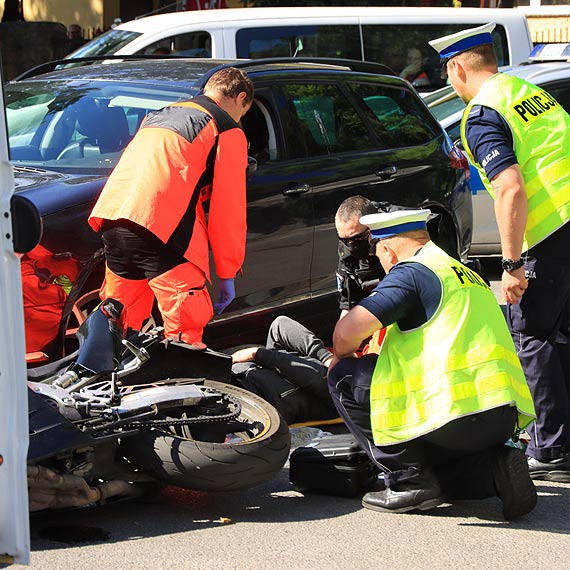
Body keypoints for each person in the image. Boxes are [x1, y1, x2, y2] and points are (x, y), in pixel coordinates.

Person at [327, 208, 537, 519]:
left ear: (387, 250)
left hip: (452, 412)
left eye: (379, 254)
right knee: (446, 481)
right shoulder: (463, 272)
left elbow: (345, 334)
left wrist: (343, 355)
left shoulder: (411, 272)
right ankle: (494, 468)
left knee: (344, 376)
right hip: (500, 415)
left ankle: (406, 480)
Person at [429, 23, 570, 483]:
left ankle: (550, 446)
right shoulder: (528, 92)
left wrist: (510, 265)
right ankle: (561, 438)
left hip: (550, 232)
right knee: (561, 334)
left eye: (447, 74)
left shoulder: (482, 112)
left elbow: (509, 189)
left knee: (531, 335)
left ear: (456, 67)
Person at [89, 67, 253, 345]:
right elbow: (229, 210)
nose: (240, 121)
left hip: (114, 219)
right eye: (243, 113)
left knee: (116, 322)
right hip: (163, 229)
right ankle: (180, 382)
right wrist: (227, 273)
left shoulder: (160, 114)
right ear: (240, 98)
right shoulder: (226, 128)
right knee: (184, 327)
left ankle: (103, 379)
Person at [232, 195, 384, 423]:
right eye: (344, 239)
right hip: (337, 362)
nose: (349, 246)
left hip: (350, 380)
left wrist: (259, 354)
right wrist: (334, 354)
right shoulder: (350, 251)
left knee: (321, 374)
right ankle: (323, 359)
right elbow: (346, 304)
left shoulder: (394, 276)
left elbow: (318, 380)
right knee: (279, 325)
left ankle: (320, 361)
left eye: (355, 239)